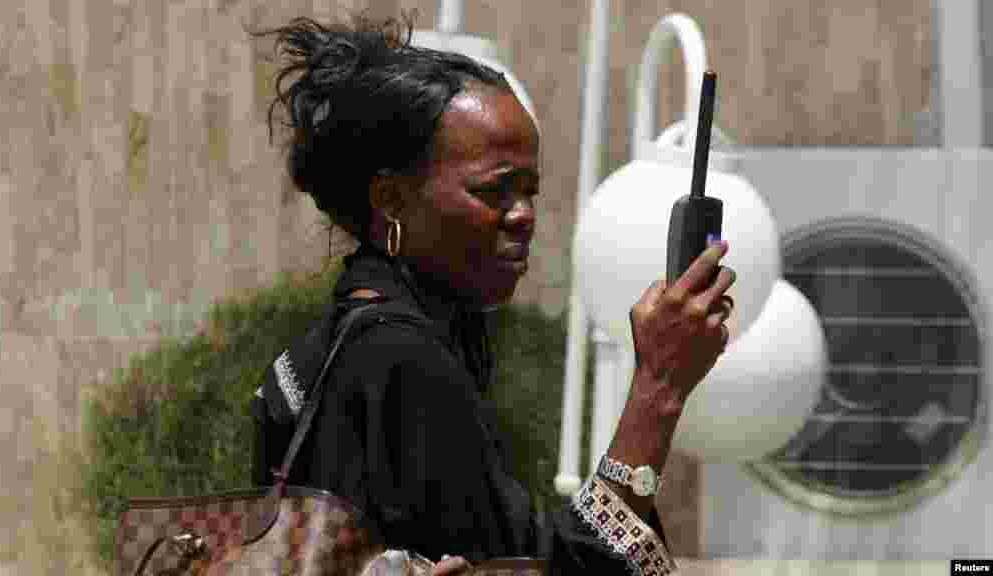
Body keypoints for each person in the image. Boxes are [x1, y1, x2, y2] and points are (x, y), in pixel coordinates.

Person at [250, 12, 735, 576]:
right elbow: (559, 570)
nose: (524, 216)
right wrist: (659, 389)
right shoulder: (399, 359)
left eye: (530, 191)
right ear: (391, 199)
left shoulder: (331, 346)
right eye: (494, 190)